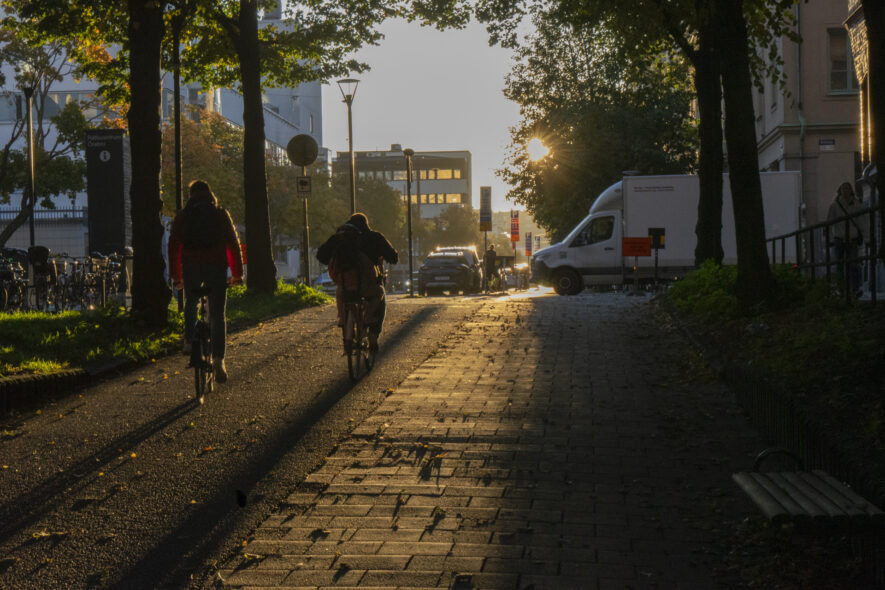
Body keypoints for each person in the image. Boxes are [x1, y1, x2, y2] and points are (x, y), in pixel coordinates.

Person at [168, 180, 243, 383]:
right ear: (210, 194)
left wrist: (177, 277)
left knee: (191, 302)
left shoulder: (183, 216)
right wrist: (237, 274)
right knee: (217, 314)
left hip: (191, 266)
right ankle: (218, 359)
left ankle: (188, 341)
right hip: (216, 266)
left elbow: (173, 246)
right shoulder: (220, 213)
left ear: (190, 195)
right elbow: (233, 245)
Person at [316, 213, 398, 351]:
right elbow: (393, 258)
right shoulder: (374, 237)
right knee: (380, 294)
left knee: (340, 292)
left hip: (344, 287)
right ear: (366, 224)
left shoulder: (340, 238)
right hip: (367, 286)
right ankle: (372, 330)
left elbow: (321, 256)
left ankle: (343, 319)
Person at [827, 182, 869, 297]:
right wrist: (830, 239)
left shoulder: (856, 205)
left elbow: (862, 223)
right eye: (844, 189)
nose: (846, 191)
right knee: (841, 265)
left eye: (847, 189)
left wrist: (867, 238)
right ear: (840, 191)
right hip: (840, 239)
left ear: (851, 191)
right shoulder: (835, 206)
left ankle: (853, 289)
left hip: (851, 238)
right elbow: (829, 223)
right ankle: (843, 289)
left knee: (853, 265)